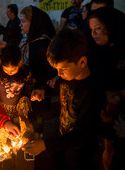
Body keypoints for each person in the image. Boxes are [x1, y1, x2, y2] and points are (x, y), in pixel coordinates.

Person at [24, 28, 106, 169]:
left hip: (82, 153)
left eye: (63, 69)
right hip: (63, 139)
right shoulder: (68, 77)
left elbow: (82, 134)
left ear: (82, 62)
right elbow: (58, 87)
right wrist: (43, 92)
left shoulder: (91, 91)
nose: (59, 74)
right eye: (56, 69)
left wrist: (45, 145)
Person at [87, 6, 125, 170]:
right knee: (110, 150)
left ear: (112, 26)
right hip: (108, 117)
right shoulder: (97, 53)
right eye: (92, 29)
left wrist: (120, 95)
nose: (94, 34)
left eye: (98, 28)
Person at [0, 45, 33, 124]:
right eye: (5, 69)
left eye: (13, 69)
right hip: (2, 109)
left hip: (19, 110)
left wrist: (26, 101)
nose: (9, 72)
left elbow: (29, 88)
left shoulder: (25, 72)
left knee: (18, 129)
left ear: (20, 62)